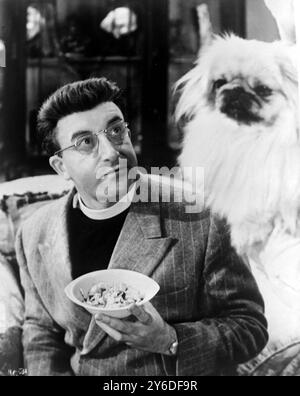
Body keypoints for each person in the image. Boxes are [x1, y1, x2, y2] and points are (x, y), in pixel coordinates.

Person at [16, 77, 268, 376]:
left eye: (116, 130)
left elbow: (250, 325)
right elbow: (42, 332)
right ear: (61, 168)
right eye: (86, 142)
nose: (111, 152)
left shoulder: (202, 215)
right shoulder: (34, 233)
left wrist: (171, 340)